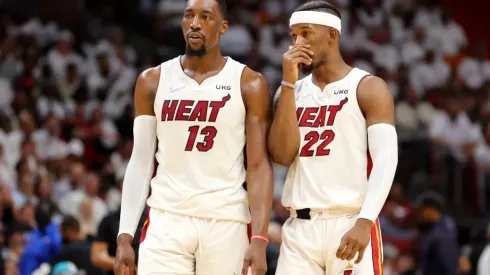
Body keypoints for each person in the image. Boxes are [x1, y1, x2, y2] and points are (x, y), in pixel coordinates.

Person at [114, 0, 274, 274]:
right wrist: (124, 236)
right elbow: (140, 161)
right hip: (167, 218)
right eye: (189, 15)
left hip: (226, 219)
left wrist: (259, 239)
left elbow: (258, 165)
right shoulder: (152, 80)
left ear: (223, 27)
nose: (195, 23)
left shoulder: (249, 83)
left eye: (206, 16)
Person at [268, 1, 398, 274]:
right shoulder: (288, 92)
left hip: (350, 220)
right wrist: (289, 84)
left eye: (305, 33)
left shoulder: (367, 87)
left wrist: (365, 222)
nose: (296, 44)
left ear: (332, 34)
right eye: (293, 36)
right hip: (299, 228)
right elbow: (281, 156)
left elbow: (386, 160)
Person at [415, 191, 459, 275]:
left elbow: (450, 267)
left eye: (421, 210)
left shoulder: (441, 234)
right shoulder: (434, 229)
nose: (418, 214)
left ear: (432, 209)